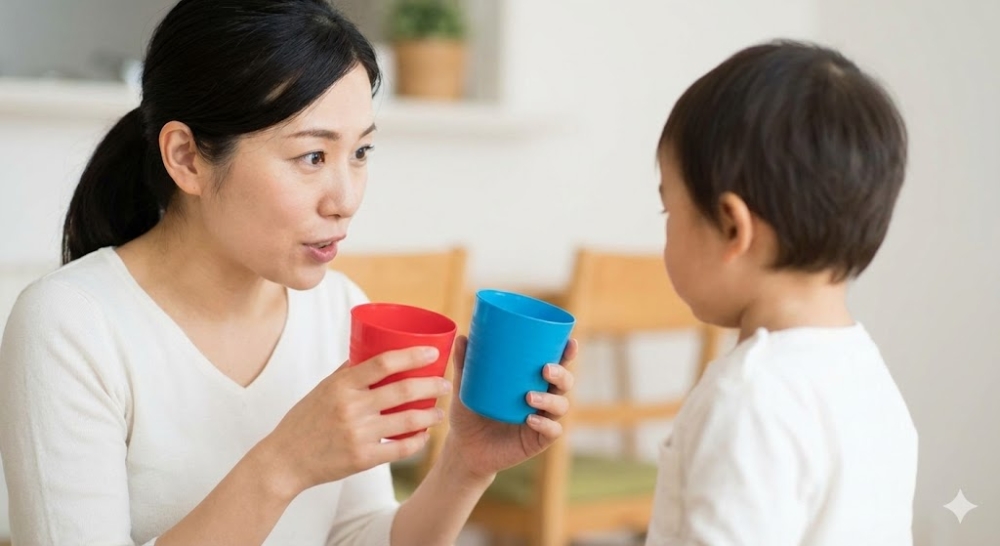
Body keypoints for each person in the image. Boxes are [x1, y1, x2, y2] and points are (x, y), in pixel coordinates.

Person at [0, 1, 577, 545]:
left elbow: (356, 536)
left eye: (360, 153)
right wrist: (284, 463)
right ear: (186, 157)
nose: (346, 200)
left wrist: (465, 467)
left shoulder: (338, 307)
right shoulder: (70, 325)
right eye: (312, 157)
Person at [646, 40, 918, 544]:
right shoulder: (867, 379)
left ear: (732, 227)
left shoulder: (749, 397)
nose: (665, 228)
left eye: (670, 210)